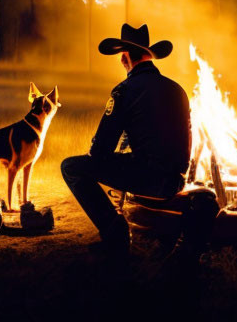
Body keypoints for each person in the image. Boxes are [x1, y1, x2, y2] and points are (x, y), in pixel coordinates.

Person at [61, 23, 217, 264]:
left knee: (71, 167)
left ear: (125, 58)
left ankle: (115, 235)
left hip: (148, 179)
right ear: (149, 56)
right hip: (176, 180)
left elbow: (101, 149)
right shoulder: (178, 90)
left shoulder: (124, 90)